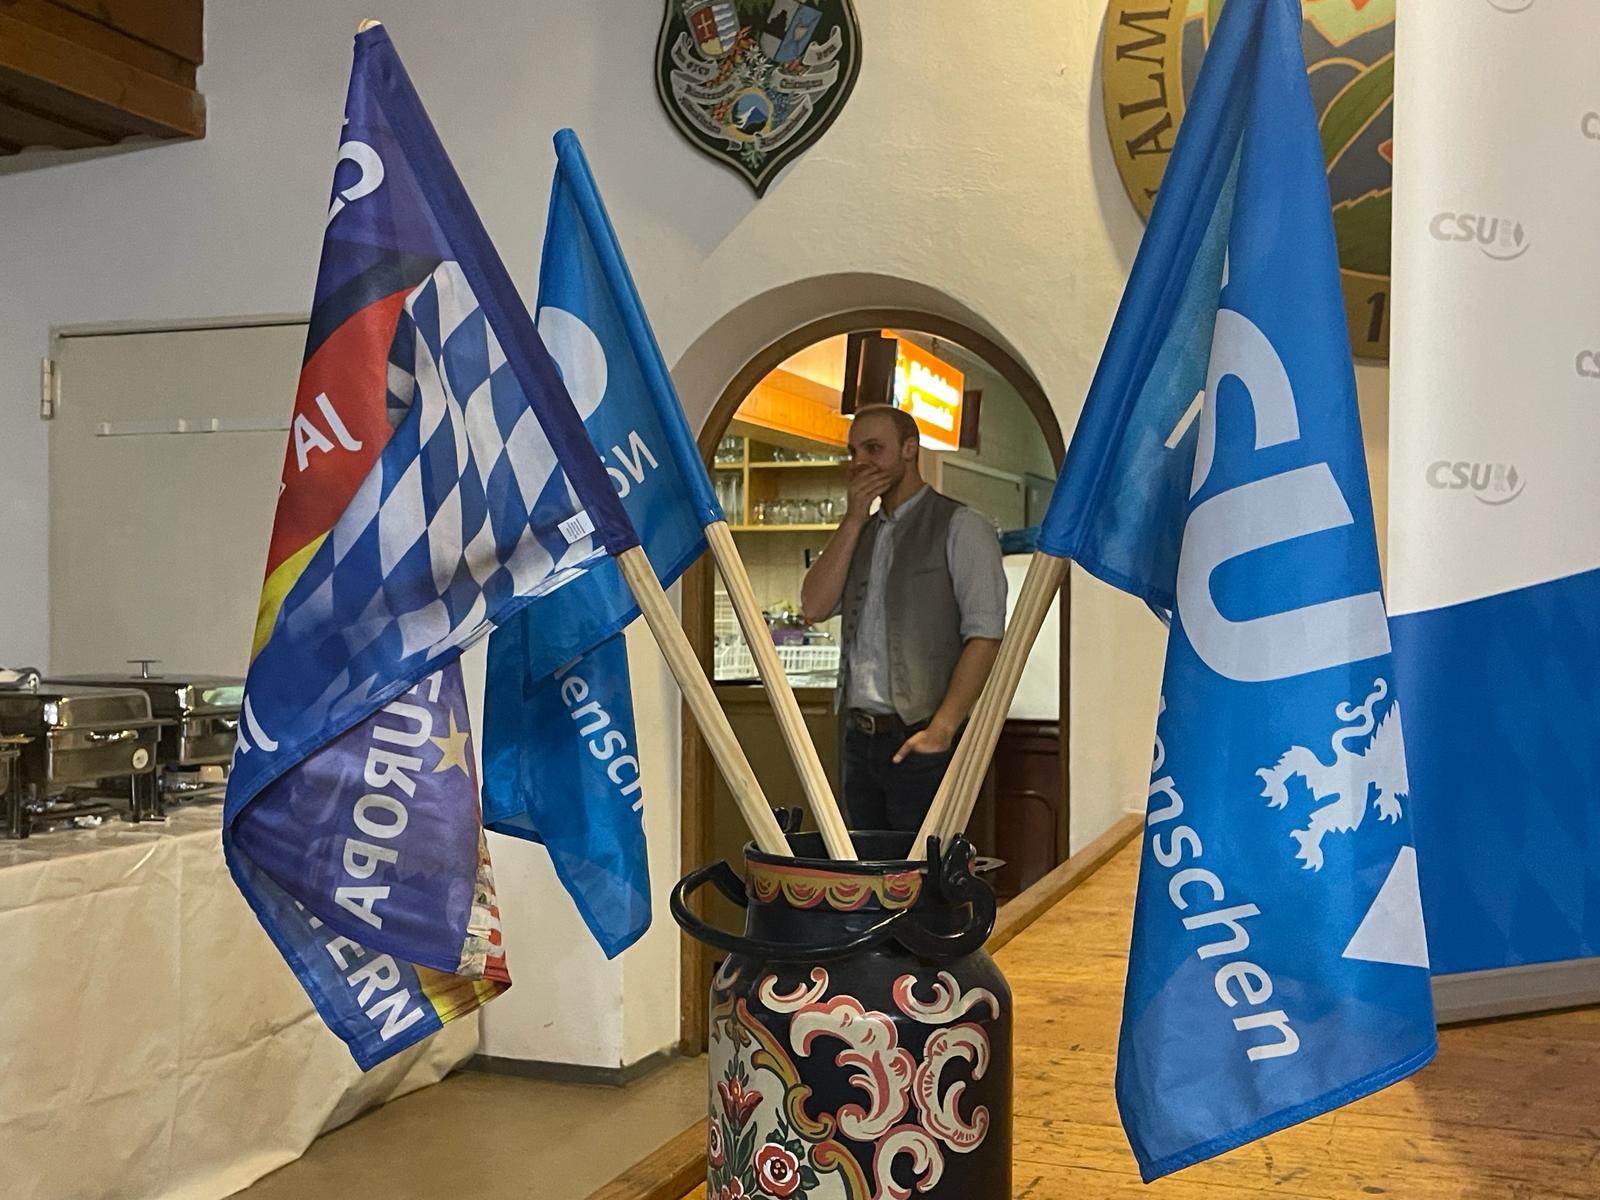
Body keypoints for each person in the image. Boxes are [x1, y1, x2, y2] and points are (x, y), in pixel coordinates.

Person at [801, 404, 1006, 834]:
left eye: (873, 449)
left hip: (923, 734)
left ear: (910, 449)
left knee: (927, 867)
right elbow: (813, 607)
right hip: (858, 738)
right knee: (864, 863)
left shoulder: (962, 525)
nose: (860, 462)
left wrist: (942, 728)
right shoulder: (860, 531)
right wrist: (853, 518)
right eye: (854, 451)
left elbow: (986, 634)